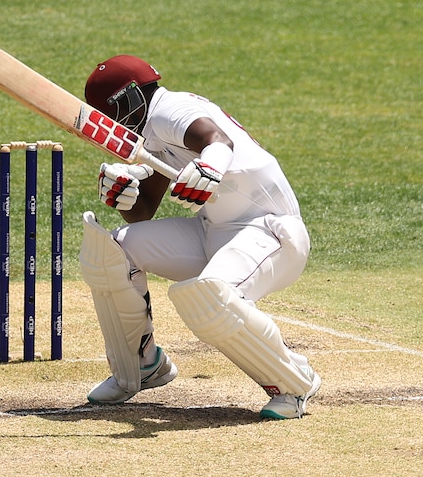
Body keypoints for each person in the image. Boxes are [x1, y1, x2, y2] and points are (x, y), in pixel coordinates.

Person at [78, 54, 320, 420]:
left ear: (129, 100)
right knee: (112, 251)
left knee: (209, 297)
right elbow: (142, 212)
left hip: (271, 233)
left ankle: (294, 382)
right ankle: (142, 367)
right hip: (214, 232)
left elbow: (217, 140)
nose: (111, 126)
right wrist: (123, 195)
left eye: (108, 114)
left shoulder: (169, 110)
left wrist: (210, 165)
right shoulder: (154, 136)